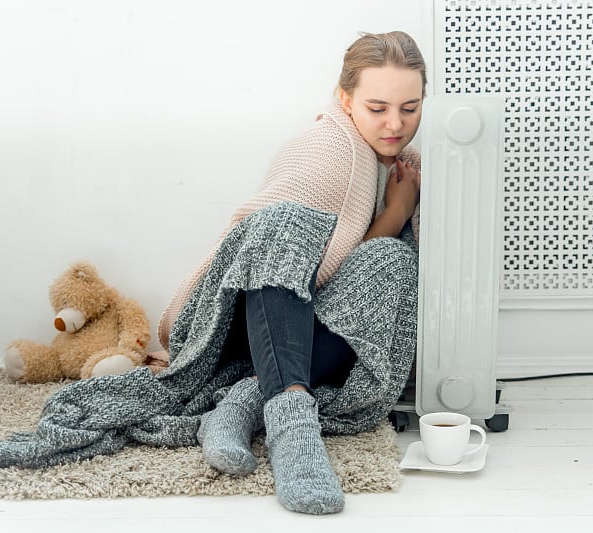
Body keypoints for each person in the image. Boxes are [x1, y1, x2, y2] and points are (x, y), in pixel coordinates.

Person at [188, 31, 427, 515]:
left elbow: (359, 280)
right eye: (378, 108)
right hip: (250, 315)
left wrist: (398, 218)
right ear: (345, 99)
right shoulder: (327, 149)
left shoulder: (405, 165)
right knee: (283, 224)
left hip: (311, 330)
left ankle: (242, 403)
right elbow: (263, 248)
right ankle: (295, 434)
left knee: (394, 262)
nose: (395, 124)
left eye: (410, 107)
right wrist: (395, 216)